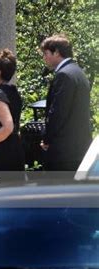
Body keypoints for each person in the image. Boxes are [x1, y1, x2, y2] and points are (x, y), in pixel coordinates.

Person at [40, 34, 92, 171]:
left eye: (46, 53)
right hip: (79, 148)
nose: (44, 58)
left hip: (64, 152)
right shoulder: (78, 72)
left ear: (56, 52)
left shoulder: (64, 75)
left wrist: (46, 138)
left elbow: (58, 112)